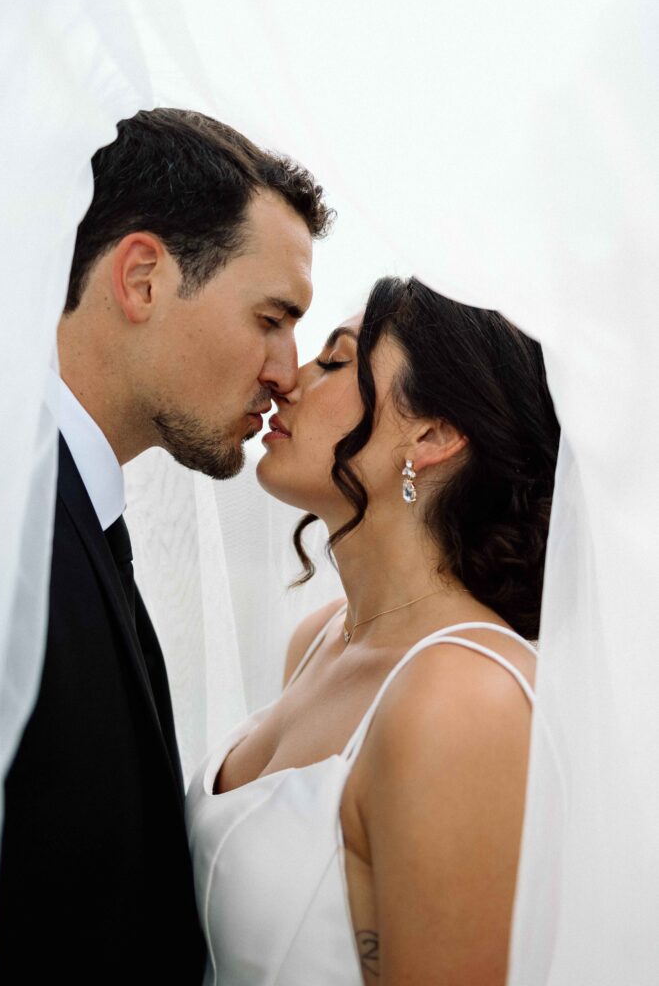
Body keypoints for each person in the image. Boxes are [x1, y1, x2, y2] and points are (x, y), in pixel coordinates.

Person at [0, 108, 333, 984]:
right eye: (270, 316)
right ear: (141, 279)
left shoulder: (76, 511)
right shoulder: (1, 529)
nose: (285, 371)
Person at [186, 275, 560, 985]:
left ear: (433, 434)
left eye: (333, 361)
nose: (286, 380)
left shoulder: (461, 698)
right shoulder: (320, 640)